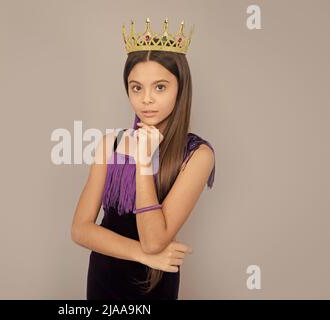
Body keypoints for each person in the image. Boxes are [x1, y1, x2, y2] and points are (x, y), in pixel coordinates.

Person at [71, 18, 216, 299]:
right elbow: (80, 229)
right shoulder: (110, 144)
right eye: (137, 87)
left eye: (160, 87)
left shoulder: (198, 155)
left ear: (180, 88)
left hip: (153, 283)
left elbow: (153, 241)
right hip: (105, 276)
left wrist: (144, 160)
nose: (146, 99)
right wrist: (142, 255)